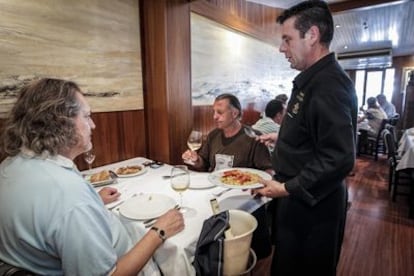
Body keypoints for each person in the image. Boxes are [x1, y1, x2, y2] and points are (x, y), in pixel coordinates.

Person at [0, 78, 184, 275]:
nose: (94, 125)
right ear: (62, 122)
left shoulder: (10, 165)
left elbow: (47, 216)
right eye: (87, 116)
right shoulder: (68, 194)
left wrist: (94, 201)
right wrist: (159, 232)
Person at [251, 1, 358, 276]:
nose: (281, 48)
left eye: (287, 39)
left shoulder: (329, 85)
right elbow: (313, 130)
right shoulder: (311, 80)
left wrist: (286, 189)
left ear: (312, 35)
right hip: (299, 200)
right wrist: (283, 137)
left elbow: (339, 157)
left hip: (314, 209)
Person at [181, 93, 273, 274]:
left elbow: (268, 171)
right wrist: (194, 160)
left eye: (220, 112)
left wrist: (260, 183)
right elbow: (204, 164)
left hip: (243, 200)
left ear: (235, 113)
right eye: (214, 112)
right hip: (215, 197)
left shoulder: (253, 137)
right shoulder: (214, 135)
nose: (214, 116)